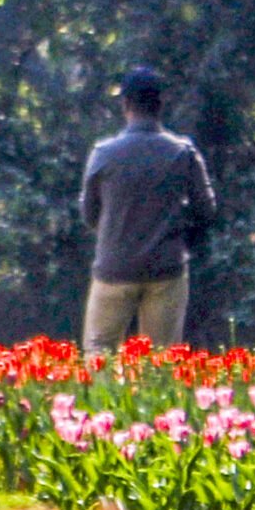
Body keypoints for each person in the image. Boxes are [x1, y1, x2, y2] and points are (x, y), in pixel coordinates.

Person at [80, 66, 216, 356]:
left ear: (125, 104)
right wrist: (178, 234)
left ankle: (104, 401)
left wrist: (117, 232)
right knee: (161, 359)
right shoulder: (182, 152)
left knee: (99, 351)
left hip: (114, 267)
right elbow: (206, 210)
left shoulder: (104, 154)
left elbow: (89, 214)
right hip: (165, 269)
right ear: (160, 105)